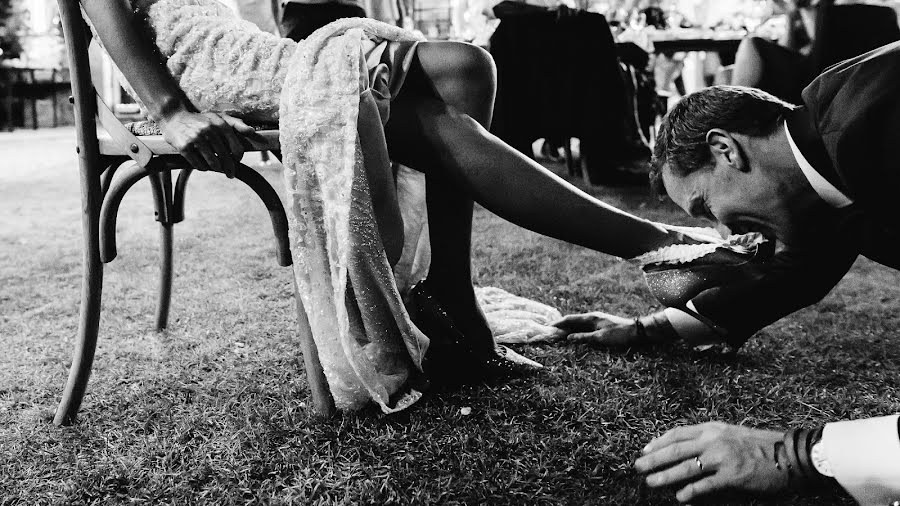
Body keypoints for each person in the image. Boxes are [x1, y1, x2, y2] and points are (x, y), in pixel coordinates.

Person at [82, 0, 736, 412]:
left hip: (251, 51)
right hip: (192, 67)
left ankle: (453, 294)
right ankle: (656, 248)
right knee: (396, 91)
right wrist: (169, 111)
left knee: (469, 66)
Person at [558, 41, 900, 503]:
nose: (723, 228)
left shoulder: (874, 121)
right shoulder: (822, 169)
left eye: (705, 206)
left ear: (725, 149)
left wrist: (801, 455)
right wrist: (646, 330)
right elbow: (790, 276)